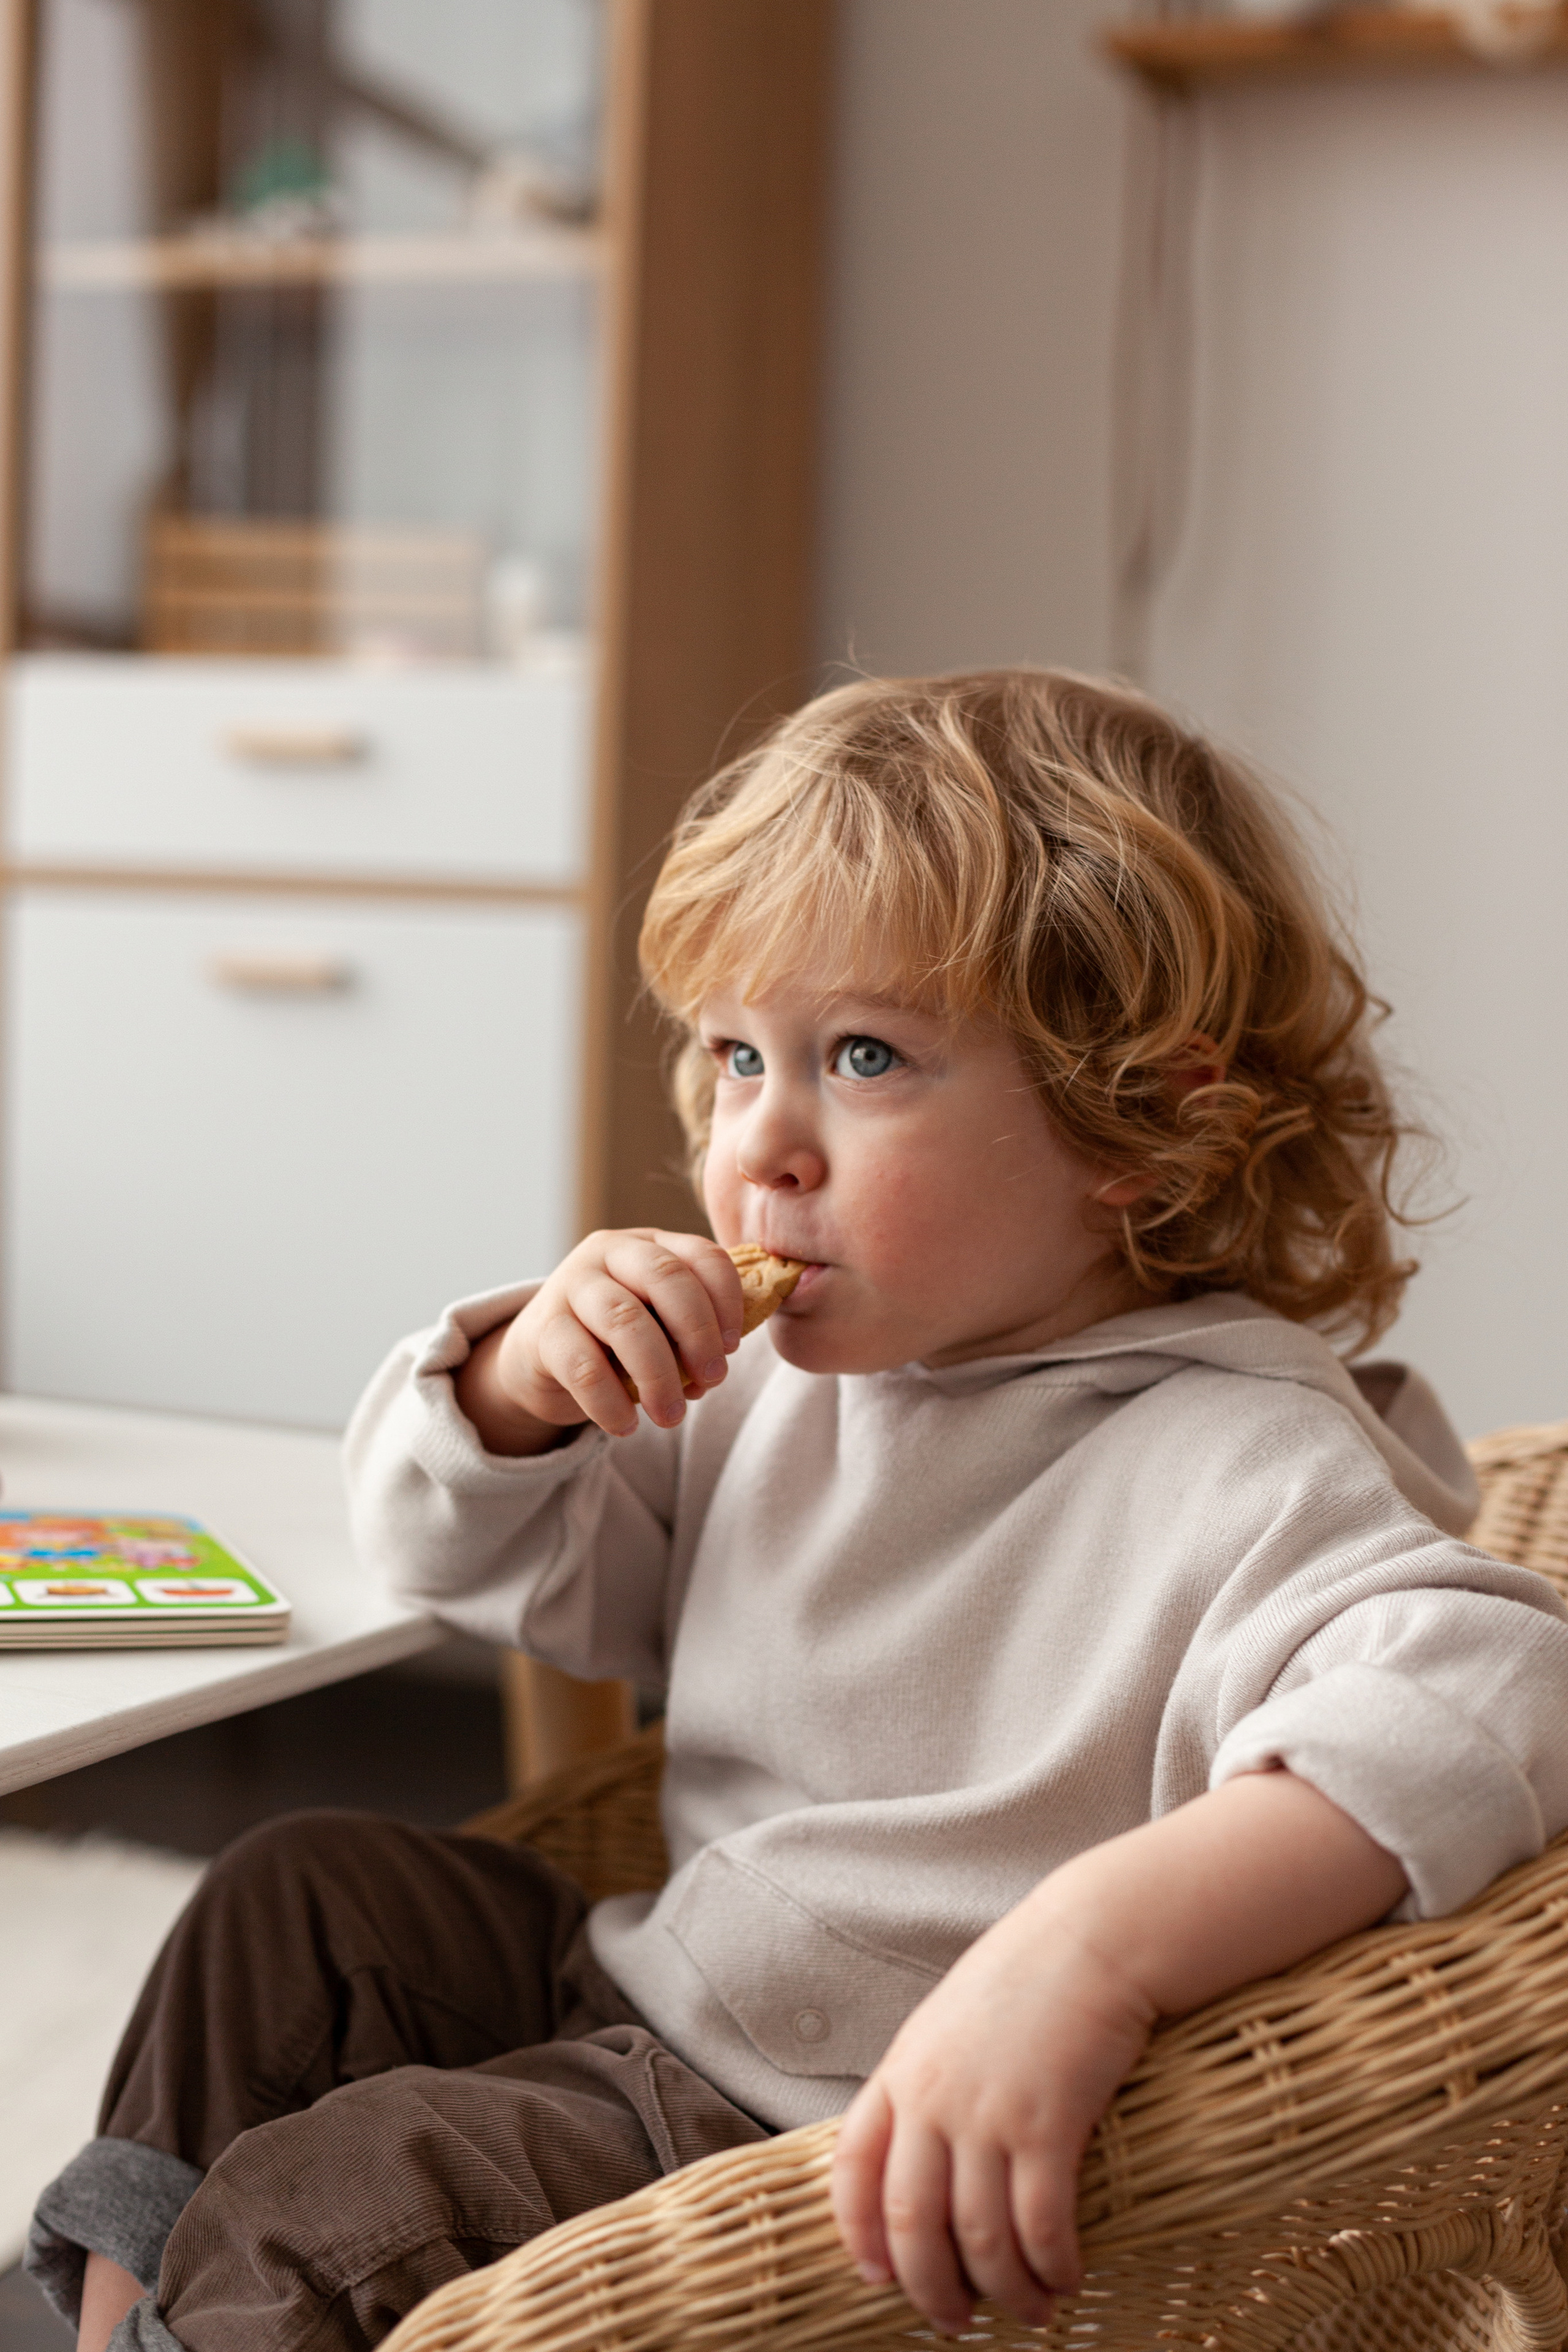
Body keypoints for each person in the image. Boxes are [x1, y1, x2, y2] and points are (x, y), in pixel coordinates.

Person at [35, 669, 1568, 2352]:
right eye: (737, 1053)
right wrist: (520, 1388)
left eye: (864, 1056)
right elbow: (453, 1556)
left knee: (345, 2197)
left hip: (798, 2114)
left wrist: (1084, 1955)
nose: (760, 1140)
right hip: (650, 1978)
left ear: (1134, 1126)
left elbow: (1492, 1686)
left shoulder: (1239, 1459)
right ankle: (124, 2325)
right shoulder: (775, 1381)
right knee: (299, 1898)